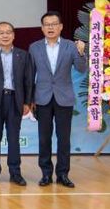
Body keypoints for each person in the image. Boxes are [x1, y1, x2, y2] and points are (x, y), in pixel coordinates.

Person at [29, 11, 87, 188]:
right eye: (47, 24)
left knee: (64, 139)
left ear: (61, 26)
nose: (50, 27)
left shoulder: (71, 46)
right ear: (42, 28)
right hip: (42, 98)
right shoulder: (34, 47)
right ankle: (46, 174)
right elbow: (30, 75)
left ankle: (63, 174)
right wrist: (30, 99)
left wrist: (81, 53)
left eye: (54, 24)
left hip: (64, 98)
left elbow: (81, 69)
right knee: (44, 138)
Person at [0, 21, 34, 186]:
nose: (5, 35)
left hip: (15, 100)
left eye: (8, 32)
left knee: (13, 139)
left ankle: (15, 173)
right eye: (1, 33)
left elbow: (28, 81)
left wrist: (27, 102)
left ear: (14, 35)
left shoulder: (23, 55)